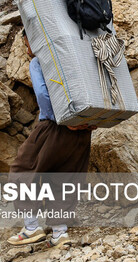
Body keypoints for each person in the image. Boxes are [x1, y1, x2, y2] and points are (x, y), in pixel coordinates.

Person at [7, 30, 95, 247]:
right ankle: (59, 233)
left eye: (24, 39)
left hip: (54, 127)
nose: (25, 45)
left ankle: (31, 227)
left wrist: (65, 120)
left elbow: (44, 96)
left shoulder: (40, 61)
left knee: (22, 171)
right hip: (83, 129)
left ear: (33, 38)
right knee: (64, 178)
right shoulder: (78, 55)